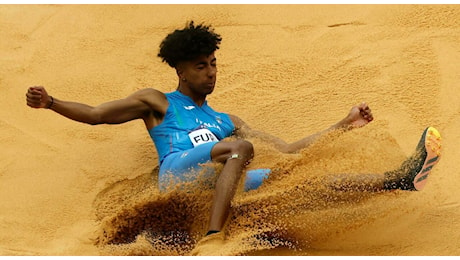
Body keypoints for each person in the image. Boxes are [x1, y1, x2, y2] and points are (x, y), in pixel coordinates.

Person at [25, 21, 442, 255]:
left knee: (296, 179)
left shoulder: (226, 118)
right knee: (239, 149)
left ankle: (397, 180)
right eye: (200, 66)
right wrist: (52, 102)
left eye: (213, 64)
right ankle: (213, 237)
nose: (210, 72)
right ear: (181, 72)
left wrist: (344, 123)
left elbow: (286, 151)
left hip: (221, 185)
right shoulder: (159, 102)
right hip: (178, 176)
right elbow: (97, 116)